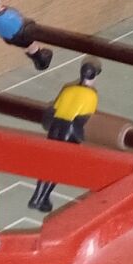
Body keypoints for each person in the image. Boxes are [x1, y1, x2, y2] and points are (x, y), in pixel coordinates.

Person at [28, 60, 100, 212]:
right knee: (59, 165)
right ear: (94, 77)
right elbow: (86, 118)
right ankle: (42, 197)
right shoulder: (92, 95)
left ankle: (38, 196)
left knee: (50, 162)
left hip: (55, 126)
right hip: (70, 128)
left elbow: (54, 109)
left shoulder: (67, 90)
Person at [0, 0, 53, 70]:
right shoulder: (8, 16)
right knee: (32, 45)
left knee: (24, 46)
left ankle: (32, 55)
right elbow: (21, 22)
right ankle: (41, 62)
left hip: (9, 38)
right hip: (21, 35)